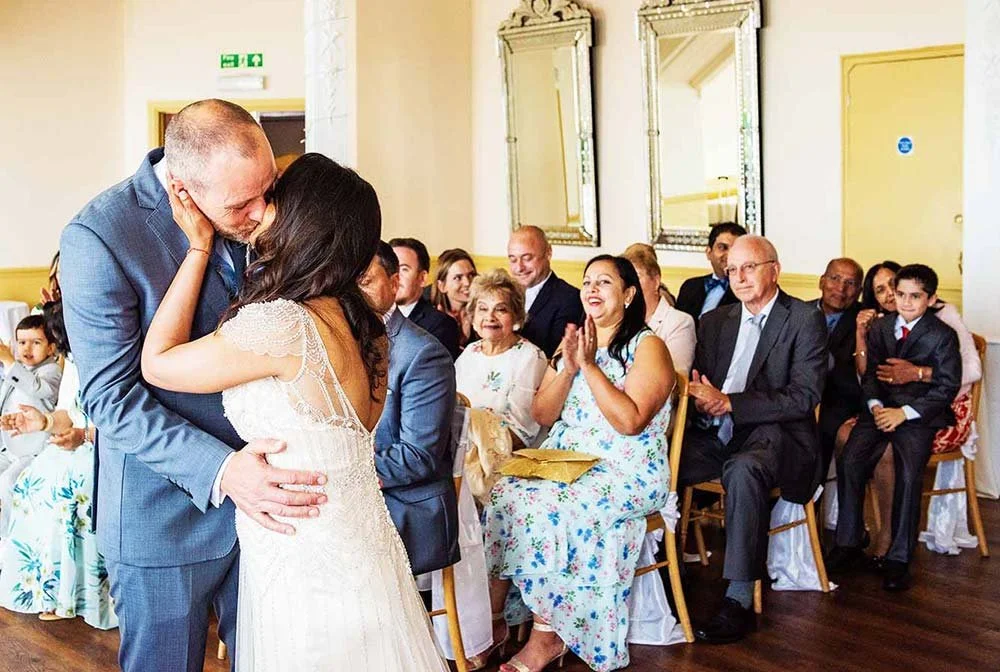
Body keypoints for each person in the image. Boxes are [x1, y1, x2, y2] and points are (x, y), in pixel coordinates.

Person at [140, 153, 448, 670]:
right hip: (360, 544)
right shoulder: (368, 326)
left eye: (274, 200)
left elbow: (159, 363)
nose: (260, 212)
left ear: (303, 221)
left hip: (303, 554)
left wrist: (198, 248)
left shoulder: (283, 325)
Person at [59, 100, 327, 671]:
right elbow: (111, 398)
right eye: (240, 205)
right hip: (164, 517)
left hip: (274, 514)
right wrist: (226, 471)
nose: (262, 214)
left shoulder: (265, 208)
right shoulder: (101, 235)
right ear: (182, 186)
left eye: (268, 189)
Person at [482, 256, 675, 672]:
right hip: (567, 460)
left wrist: (589, 367)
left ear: (627, 294)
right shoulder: (574, 344)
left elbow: (630, 421)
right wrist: (568, 369)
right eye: (587, 281)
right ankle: (493, 622)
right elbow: (542, 414)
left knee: (554, 508)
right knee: (504, 494)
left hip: (625, 467)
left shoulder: (649, 346)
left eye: (604, 282)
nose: (591, 289)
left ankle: (547, 636)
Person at [678, 235, 827, 644]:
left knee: (744, 471)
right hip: (716, 434)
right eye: (732, 270)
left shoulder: (802, 318)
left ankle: (738, 599)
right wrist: (702, 401)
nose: (739, 277)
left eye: (749, 267)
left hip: (778, 435)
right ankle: (664, 575)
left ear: (774, 270)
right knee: (658, 463)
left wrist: (730, 403)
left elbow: (804, 396)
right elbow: (702, 385)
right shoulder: (715, 321)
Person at [829, 264, 962, 593]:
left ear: (930, 300)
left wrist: (903, 413)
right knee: (851, 458)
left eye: (915, 296)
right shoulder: (882, 327)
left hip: (918, 415)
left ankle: (899, 558)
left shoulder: (943, 335)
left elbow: (946, 386)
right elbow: (871, 374)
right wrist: (875, 406)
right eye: (900, 294)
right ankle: (848, 542)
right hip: (880, 409)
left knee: (908, 470)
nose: (905, 302)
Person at [0, 301, 116, 629]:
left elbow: (119, 422)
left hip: (107, 448)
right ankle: (49, 589)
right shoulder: (75, 362)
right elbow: (66, 410)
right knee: (28, 485)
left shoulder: (115, 353)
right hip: (75, 442)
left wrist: (84, 435)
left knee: (67, 489)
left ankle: (80, 593)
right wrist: (45, 421)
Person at [358, 241, 459, 576]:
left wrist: (343, 472)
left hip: (404, 505)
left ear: (395, 283)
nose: (354, 292)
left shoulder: (422, 354)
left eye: (366, 281)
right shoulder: (338, 342)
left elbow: (419, 456)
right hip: (355, 496)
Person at [455, 269, 548, 448]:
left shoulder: (530, 356)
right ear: (473, 316)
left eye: (501, 309)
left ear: (516, 316)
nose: (490, 317)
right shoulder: (470, 351)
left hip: (502, 453)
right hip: (459, 445)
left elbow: (521, 430)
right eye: (482, 309)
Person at [0, 314, 62, 538]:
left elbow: (38, 390)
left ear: (51, 348)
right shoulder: (13, 371)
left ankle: (7, 541)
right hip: (10, 446)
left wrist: (10, 362)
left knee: (7, 482)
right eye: (22, 342)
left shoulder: (51, 371)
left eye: (36, 342)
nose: (27, 348)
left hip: (34, 450)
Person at [816, 258, 865, 475]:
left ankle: (809, 503)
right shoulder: (798, 312)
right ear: (822, 281)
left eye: (851, 283)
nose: (841, 288)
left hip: (840, 403)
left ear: (860, 290)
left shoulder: (865, 320)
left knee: (816, 429)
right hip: (796, 396)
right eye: (835, 279)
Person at [507, 226, 584, 358]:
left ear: (548, 253)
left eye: (527, 258)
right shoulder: (505, 294)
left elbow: (557, 356)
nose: (519, 268)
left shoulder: (569, 298)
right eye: (513, 259)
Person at [622, 242, 696, 372]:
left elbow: (676, 377)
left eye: (637, 277)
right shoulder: (619, 318)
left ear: (656, 281)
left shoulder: (680, 322)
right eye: (626, 279)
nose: (630, 286)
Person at [390, 237, 462, 360]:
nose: (395, 276)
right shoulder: (371, 319)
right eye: (390, 268)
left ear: (422, 278)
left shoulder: (441, 325)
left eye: (404, 269)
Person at [674, 222, 746, 323]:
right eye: (722, 247)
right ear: (708, 252)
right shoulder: (690, 287)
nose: (729, 255)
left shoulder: (746, 289)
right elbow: (677, 324)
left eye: (735, 249)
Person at [432, 248, 478, 350]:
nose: (467, 283)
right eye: (458, 278)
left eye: (471, 275)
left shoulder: (483, 312)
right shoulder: (432, 320)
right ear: (442, 286)